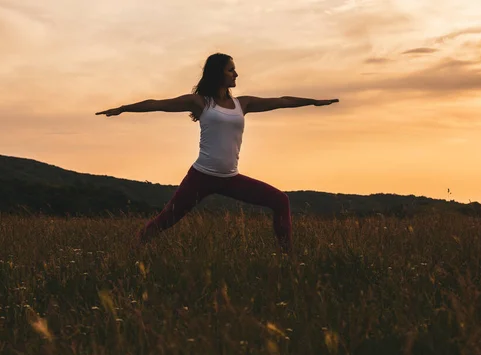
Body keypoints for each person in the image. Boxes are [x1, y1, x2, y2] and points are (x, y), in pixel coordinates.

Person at [96, 53, 339, 256]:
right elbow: (157, 104)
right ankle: (129, 252)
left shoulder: (243, 104)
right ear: (218, 73)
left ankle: (289, 259)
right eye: (231, 70)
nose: (236, 74)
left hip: (231, 178)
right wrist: (124, 108)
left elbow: (283, 101)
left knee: (280, 200)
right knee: (166, 220)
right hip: (201, 176)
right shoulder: (200, 102)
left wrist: (313, 102)